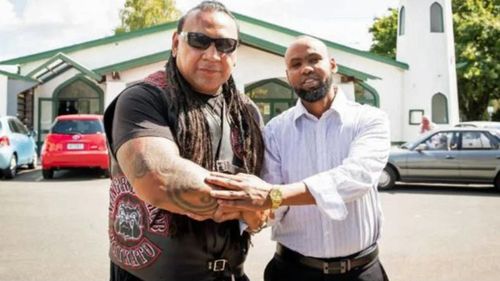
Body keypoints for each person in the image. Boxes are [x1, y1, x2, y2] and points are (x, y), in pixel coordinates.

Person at [103, 2, 266, 281]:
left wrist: (259, 205)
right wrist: (249, 202)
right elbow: (160, 180)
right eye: (200, 40)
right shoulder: (143, 98)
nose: (213, 55)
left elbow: (262, 210)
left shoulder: (246, 112)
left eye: (225, 44)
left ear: (236, 53)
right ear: (176, 43)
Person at [206, 36, 391, 281]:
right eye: (296, 64)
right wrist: (249, 212)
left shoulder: (369, 120)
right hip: (292, 271)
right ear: (288, 74)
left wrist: (271, 195)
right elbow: (273, 207)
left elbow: (356, 178)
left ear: (333, 65)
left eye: (314, 59)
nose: (306, 68)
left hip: (361, 272)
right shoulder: (275, 130)